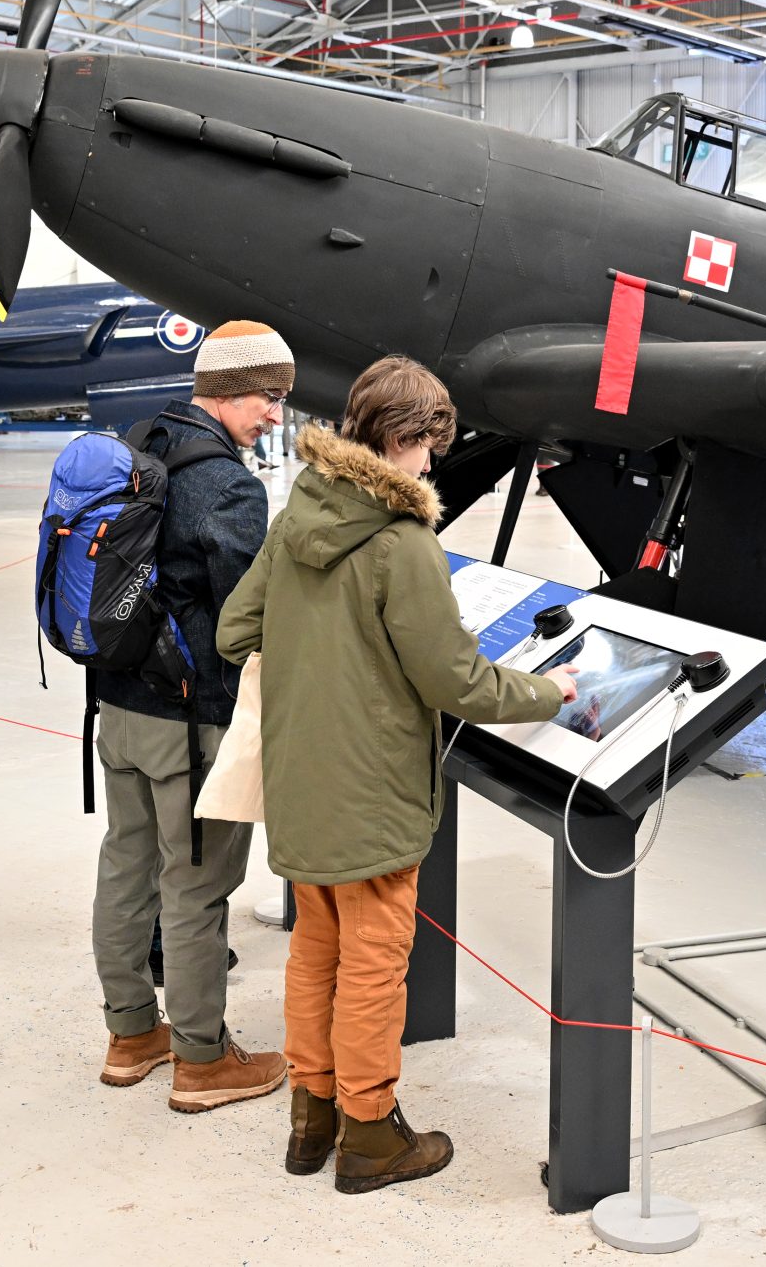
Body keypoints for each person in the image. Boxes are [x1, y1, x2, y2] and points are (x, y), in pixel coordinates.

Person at [219, 356, 578, 1195]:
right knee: (376, 967)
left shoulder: (296, 513)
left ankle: (311, 1122)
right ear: (407, 438)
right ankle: (371, 1134)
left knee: (316, 952)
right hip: (374, 790)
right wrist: (548, 692)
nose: (432, 464)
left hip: (301, 782)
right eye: (429, 445)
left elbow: (237, 629)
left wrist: (320, 667)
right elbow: (456, 681)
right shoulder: (402, 541)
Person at [93, 321, 293, 1115]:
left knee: (125, 867)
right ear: (235, 391)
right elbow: (253, 609)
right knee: (198, 885)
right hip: (192, 719)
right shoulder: (227, 484)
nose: (276, 416)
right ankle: (203, 1060)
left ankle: (130, 1033)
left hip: (119, 705)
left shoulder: (144, 438)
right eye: (271, 398)